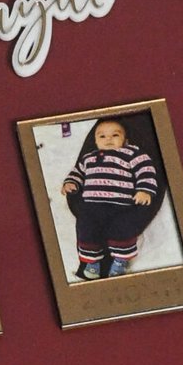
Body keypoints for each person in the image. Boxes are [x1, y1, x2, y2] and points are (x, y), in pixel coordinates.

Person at [59, 116, 163, 280]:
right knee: (86, 231)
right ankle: (92, 262)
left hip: (121, 206)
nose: (108, 139)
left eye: (115, 135)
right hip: (92, 207)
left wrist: (144, 190)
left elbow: (146, 170)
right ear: (95, 141)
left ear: (125, 140)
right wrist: (71, 182)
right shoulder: (89, 157)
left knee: (123, 229)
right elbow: (77, 172)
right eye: (102, 136)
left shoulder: (132, 153)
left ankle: (120, 260)